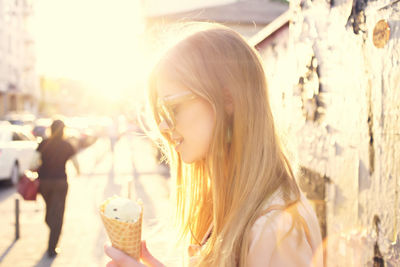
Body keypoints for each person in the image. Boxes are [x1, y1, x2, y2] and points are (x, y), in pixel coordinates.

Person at [104, 22, 323, 267]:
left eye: (172, 108)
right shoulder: (231, 204)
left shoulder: (276, 229)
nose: (163, 126)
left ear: (228, 100)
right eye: (159, 114)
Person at [37, 119, 80, 257]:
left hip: (44, 182)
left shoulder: (43, 143)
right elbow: (75, 163)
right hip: (60, 182)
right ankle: (53, 242)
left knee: (50, 213)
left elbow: (33, 161)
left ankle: (51, 245)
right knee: (58, 215)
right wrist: (79, 172)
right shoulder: (67, 145)